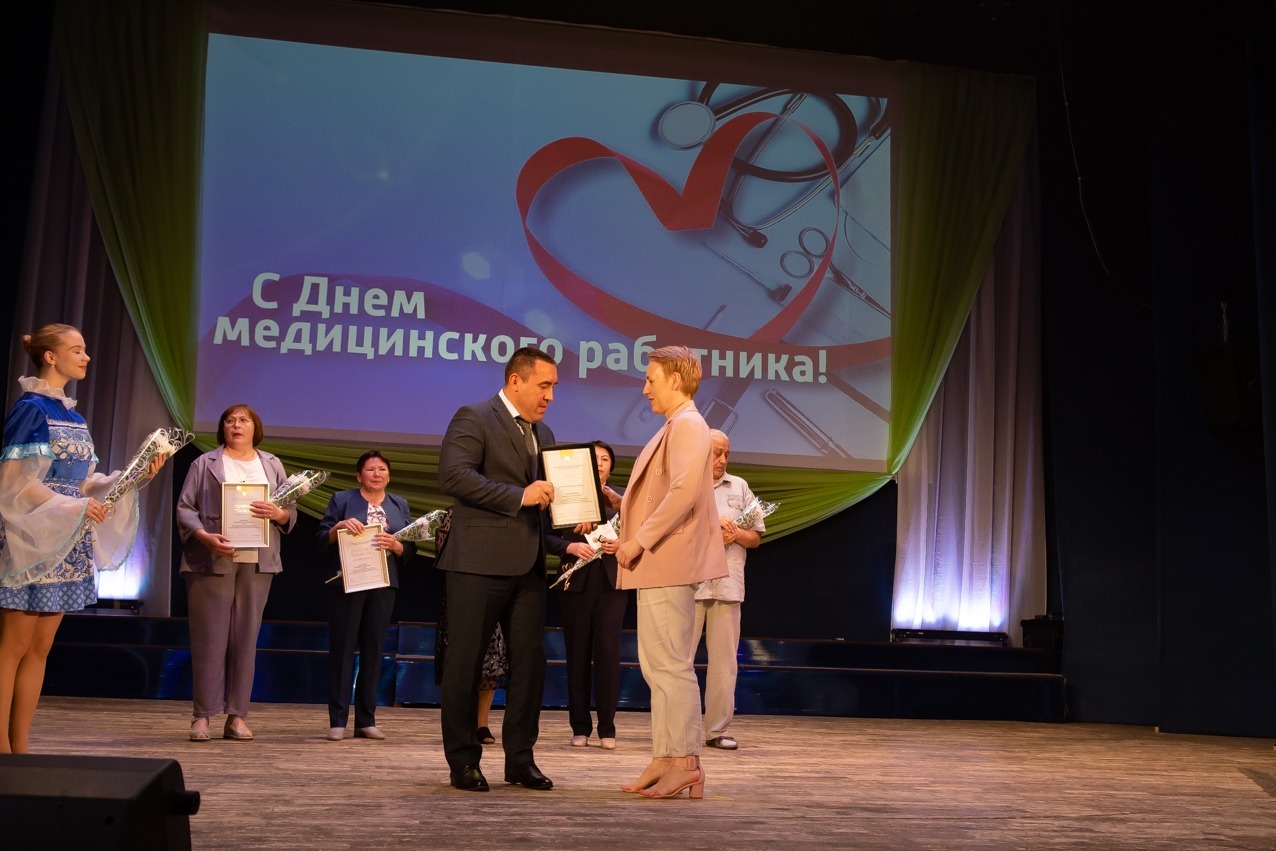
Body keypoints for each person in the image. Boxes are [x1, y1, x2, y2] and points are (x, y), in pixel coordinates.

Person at [0, 324, 159, 753]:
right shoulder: (31, 409)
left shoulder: (74, 417)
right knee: (12, 647)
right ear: (50, 357)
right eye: (76, 350)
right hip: (31, 537)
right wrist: (72, 505)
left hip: (66, 538)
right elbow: (15, 484)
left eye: (85, 349)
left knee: (40, 648)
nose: (86, 356)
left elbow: (86, 483)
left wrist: (133, 476)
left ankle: (20, 747)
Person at [436, 346, 560, 792]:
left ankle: (520, 760)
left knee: (530, 665)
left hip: (528, 564)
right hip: (477, 562)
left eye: (553, 388)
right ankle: (463, 760)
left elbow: (547, 494)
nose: (549, 396)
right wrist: (519, 496)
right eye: (543, 385)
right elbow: (454, 476)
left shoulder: (544, 433)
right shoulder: (474, 416)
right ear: (515, 381)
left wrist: (572, 513)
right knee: (466, 663)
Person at [615, 345, 728, 800]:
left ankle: (684, 762)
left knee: (670, 665)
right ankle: (666, 757)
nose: (645, 389)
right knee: (657, 665)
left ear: (675, 381)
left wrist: (639, 540)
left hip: (668, 557)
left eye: (651, 379)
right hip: (660, 560)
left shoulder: (688, 424)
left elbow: (681, 492)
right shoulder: (677, 425)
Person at [176, 403, 296, 742]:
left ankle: (237, 716)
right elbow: (185, 508)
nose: (237, 425)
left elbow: (289, 509)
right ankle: (202, 716)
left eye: (244, 420)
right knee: (209, 638)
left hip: (258, 559)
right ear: (223, 428)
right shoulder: (205, 463)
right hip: (212, 557)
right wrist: (203, 536)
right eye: (230, 420)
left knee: (245, 639)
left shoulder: (271, 464)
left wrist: (279, 514)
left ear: (255, 428)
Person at [317, 450, 415, 741]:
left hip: (384, 584)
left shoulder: (399, 504)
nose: (377, 474)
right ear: (359, 476)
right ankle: (337, 720)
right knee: (343, 650)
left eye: (382, 469)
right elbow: (320, 541)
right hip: (348, 583)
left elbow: (410, 548)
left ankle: (366, 720)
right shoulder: (342, 500)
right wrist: (338, 527)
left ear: (389, 476)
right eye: (370, 469)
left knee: (374, 650)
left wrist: (397, 546)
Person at [548, 440, 627, 750]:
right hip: (575, 583)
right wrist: (569, 544)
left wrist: (621, 545)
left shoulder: (623, 499)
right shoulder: (565, 495)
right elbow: (545, 536)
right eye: (593, 458)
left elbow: (642, 534)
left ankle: (608, 727)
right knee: (577, 653)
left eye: (605, 459)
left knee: (608, 653)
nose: (599, 463)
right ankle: (579, 726)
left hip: (612, 585)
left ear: (611, 466)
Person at [694, 430, 764, 750]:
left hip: (727, 583)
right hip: (691, 583)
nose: (722, 459)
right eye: (715, 453)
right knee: (680, 661)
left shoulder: (740, 487)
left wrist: (735, 534)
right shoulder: (687, 484)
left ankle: (717, 730)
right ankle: (679, 731)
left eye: (726, 453)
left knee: (724, 663)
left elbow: (756, 538)